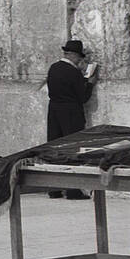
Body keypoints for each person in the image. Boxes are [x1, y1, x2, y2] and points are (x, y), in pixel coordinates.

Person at [47, 38, 98, 199]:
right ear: (74, 56)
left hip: (54, 111)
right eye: (79, 58)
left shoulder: (54, 68)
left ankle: (54, 188)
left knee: (55, 148)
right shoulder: (73, 72)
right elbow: (82, 97)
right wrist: (89, 83)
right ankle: (73, 190)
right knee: (73, 149)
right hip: (71, 113)